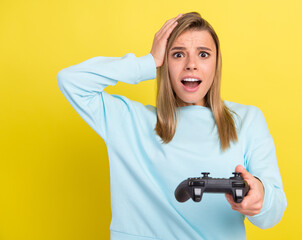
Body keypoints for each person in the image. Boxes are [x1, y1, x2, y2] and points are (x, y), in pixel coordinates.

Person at [57, 12, 287, 240]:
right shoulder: (128, 121)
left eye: (203, 54)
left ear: (216, 63)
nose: (191, 65)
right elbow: (71, 80)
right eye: (178, 55)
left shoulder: (247, 120)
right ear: (165, 62)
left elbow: (273, 213)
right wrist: (146, 63)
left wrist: (260, 196)